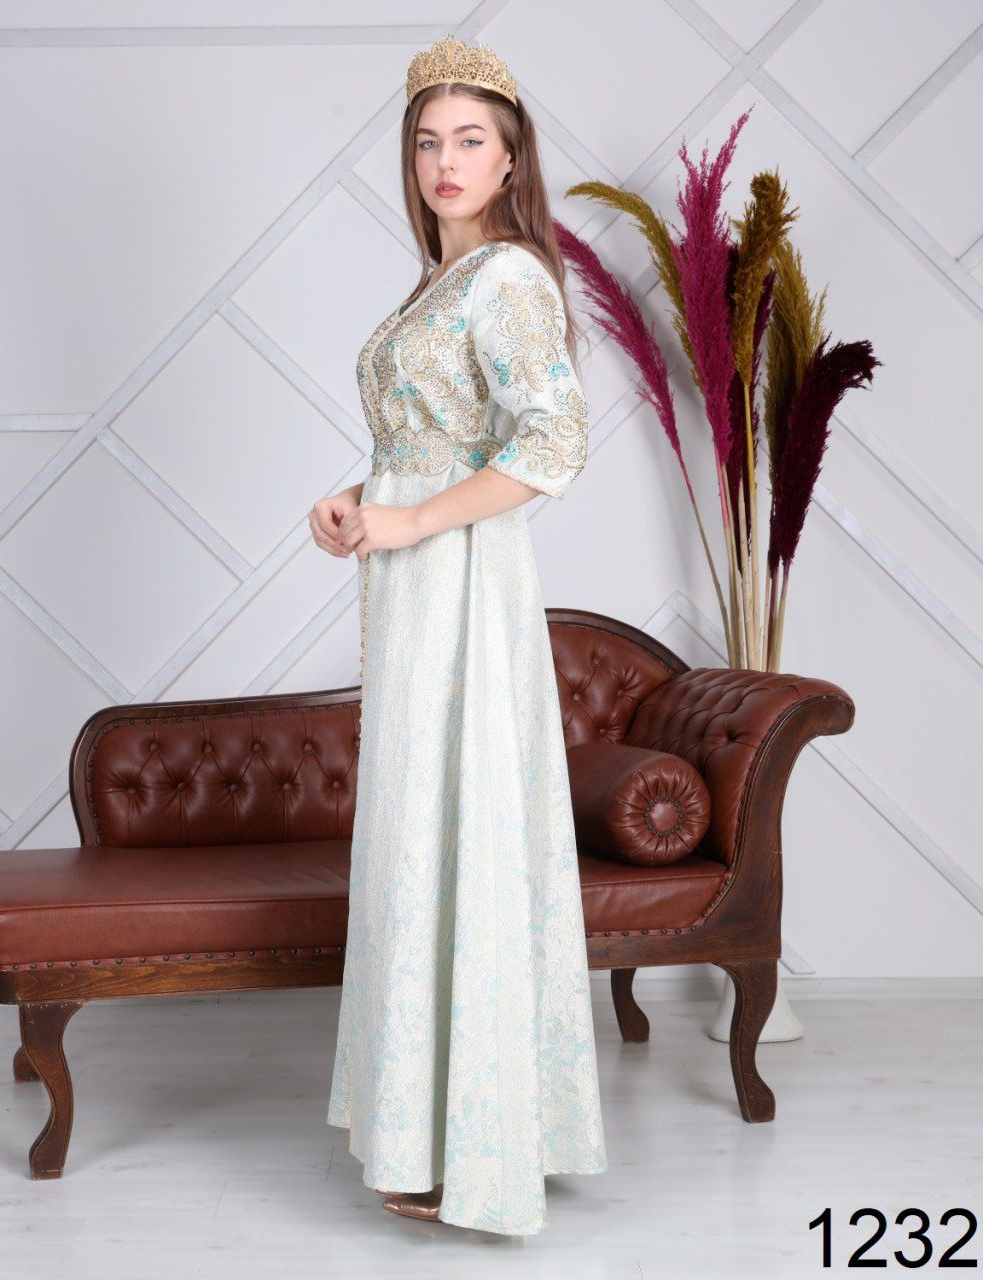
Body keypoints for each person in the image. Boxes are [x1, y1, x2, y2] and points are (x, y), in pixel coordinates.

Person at [311, 34, 607, 1237]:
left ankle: (475, 1146)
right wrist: (356, 500)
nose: (445, 160)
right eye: (428, 140)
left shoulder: (508, 278)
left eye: (470, 140)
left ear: (511, 157)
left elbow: (553, 440)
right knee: (418, 834)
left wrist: (414, 519)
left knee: (461, 825)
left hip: (463, 577)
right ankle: (426, 1127)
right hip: (411, 579)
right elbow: (432, 438)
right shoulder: (436, 283)